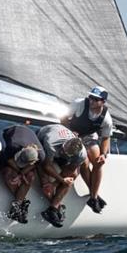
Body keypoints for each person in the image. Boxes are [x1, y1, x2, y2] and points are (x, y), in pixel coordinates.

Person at [63, 85, 112, 213]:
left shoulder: (106, 118)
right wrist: (69, 131)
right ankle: (94, 195)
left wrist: (104, 154)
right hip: (72, 136)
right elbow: (63, 117)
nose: (92, 101)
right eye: (91, 97)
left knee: (98, 162)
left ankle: (93, 197)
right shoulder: (79, 104)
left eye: (96, 99)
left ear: (103, 102)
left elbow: (106, 137)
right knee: (84, 161)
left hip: (89, 137)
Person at [0, 125, 45, 224]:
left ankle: (17, 205)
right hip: (12, 137)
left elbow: (34, 165)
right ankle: (22, 202)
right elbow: (7, 159)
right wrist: (19, 172)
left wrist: (22, 174)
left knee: (30, 177)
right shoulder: (12, 146)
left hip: (27, 146)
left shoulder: (41, 156)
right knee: (7, 173)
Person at [36, 124, 88, 228]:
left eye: (65, 152)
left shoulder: (82, 155)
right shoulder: (51, 142)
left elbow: (70, 171)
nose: (62, 152)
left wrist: (55, 184)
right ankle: (57, 207)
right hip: (43, 141)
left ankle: (52, 209)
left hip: (63, 155)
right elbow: (47, 166)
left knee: (72, 176)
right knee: (44, 178)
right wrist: (61, 180)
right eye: (63, 150)